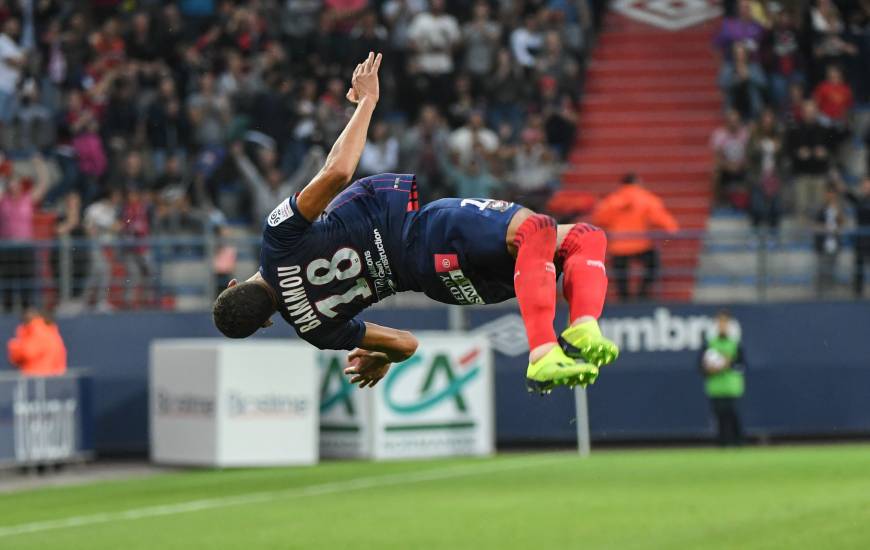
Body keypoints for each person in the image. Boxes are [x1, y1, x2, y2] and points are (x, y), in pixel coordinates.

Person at [212, 53, 619, 394]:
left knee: (579, 238)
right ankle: (545, 350)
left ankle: (582, 325)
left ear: (264, 322)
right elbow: (336, 174)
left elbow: (406, 344)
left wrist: (381, 357)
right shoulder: (277, 239)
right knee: (538, 230)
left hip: (441, 283)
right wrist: (367, 103)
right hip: (423, 234)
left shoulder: (313, 329)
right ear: (235, 285)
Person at [591, 172, 679, 301]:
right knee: (653, 266)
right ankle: (641, 296)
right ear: (637, 182)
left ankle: (624, 301)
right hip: (641, 244)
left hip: (618, 246)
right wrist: (672, 229)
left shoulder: (612, 200)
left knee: (621, 275)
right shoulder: (646, 198)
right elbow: (660, 217)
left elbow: (599, 219)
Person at [699, 310, 746, 447]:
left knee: (732, 415)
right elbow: (701, 368)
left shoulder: (735, 343)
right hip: (715, 388)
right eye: (720, 322)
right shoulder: (709, 344)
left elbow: (742, 366)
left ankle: (738, 442)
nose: (722, 325)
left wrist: (728, 364)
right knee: (719, 417)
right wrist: (710, 369)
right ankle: (722, 443)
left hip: (732, 387)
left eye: (725, 323)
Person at [7, 308, 67, 376]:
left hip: (36, 377)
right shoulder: (51, 332)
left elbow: (27, 352)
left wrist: (14, 346)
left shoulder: (37, 331)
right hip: (53, 378)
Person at [839, 177, 870, 297]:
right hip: (861, 238)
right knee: (859, 264)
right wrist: (841, 186)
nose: (867, 188)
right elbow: (848, 195)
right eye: (865, 185)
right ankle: (858, 290)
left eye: (869, 185)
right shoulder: (860, 200)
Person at [813, 183, 845, 297]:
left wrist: (837, 209)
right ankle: (819, 292)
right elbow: (814, 225)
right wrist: (825, 228)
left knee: (832, 268)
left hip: (834, 242)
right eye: (828, 193)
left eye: (833, 193)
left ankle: (830, 292)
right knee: (821, 269)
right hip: (822, 243)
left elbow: (842, 223)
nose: (830, 195)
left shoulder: (838, 207)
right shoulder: (820, 208)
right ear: (825, 194)